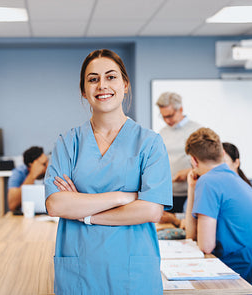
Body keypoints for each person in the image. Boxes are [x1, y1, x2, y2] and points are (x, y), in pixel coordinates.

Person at [44, 49, 172, 294]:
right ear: (84, 90)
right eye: (93, 79)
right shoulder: (68, 142)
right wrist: (123, 197)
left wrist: (86, 214)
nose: (102, 85)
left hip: (132, 272)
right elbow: (57, 205)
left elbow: (151, 210)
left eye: (111, 77)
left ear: (125, 84)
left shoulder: (149, 143)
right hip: (79, 269)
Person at [184, 127, 252, 294]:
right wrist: (191, 187)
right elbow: (192, 236)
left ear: (194, 161)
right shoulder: (234, 178)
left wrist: (194, 187)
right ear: (222, 155)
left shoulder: (209, 181)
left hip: (247, 282)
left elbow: (205, 246)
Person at [156, 92, 202, 212]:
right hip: (168, 193)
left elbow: (207, 163)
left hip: (191, 193)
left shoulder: (196, 131)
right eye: (163, 116)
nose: (167, 120)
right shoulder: (163, 132)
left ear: (180, 109)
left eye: (170, 116)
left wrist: (188, 172)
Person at [7, 146, 48, 211]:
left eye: (47, 161)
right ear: (31, 165)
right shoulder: (19, 173)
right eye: (44, 164)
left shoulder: (50, 173)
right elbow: (12, 205)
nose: (48, 166)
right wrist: (32, 175)